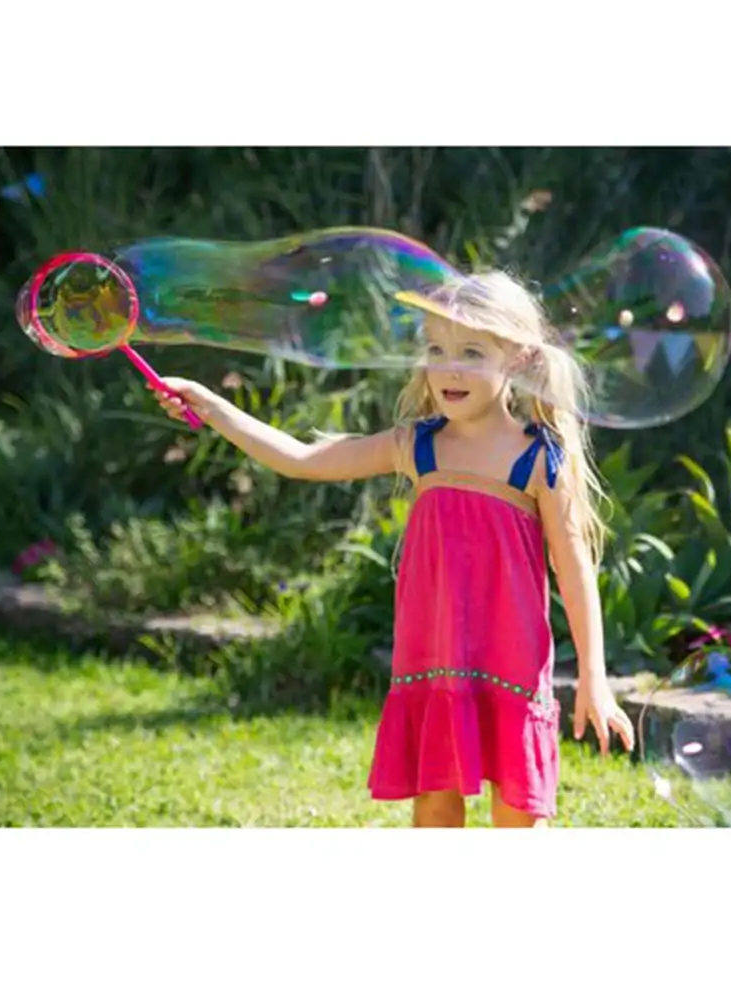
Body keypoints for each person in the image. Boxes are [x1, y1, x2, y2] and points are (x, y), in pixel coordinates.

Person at [153, 270, 635, 828]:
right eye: (436, 349)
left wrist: (593, 677)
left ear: (520, 358)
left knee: (518, 814)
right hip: (433, 657)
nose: (449, 368)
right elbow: (302, 460)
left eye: (472, 352)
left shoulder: (539, 459)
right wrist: (213, 407)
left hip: (512, 661)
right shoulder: (417, 445)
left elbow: (574, 568)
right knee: (433, 807)